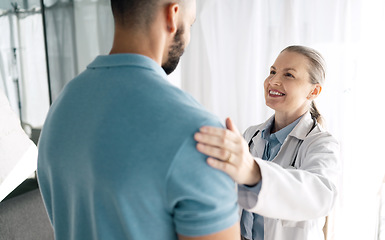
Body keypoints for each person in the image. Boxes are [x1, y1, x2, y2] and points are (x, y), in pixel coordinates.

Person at [37, 0, 240, 239]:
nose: (189, 38)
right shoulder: (203, 136)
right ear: (172, 16)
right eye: (191, 23)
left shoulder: (61, 108)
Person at [194, 45, 340, 240]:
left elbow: (320, 196)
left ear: (314, 91)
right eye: (272, 71)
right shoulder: (251, 134)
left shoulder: (322, 143)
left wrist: (253, 172)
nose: (273, 81)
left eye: (288, 75)